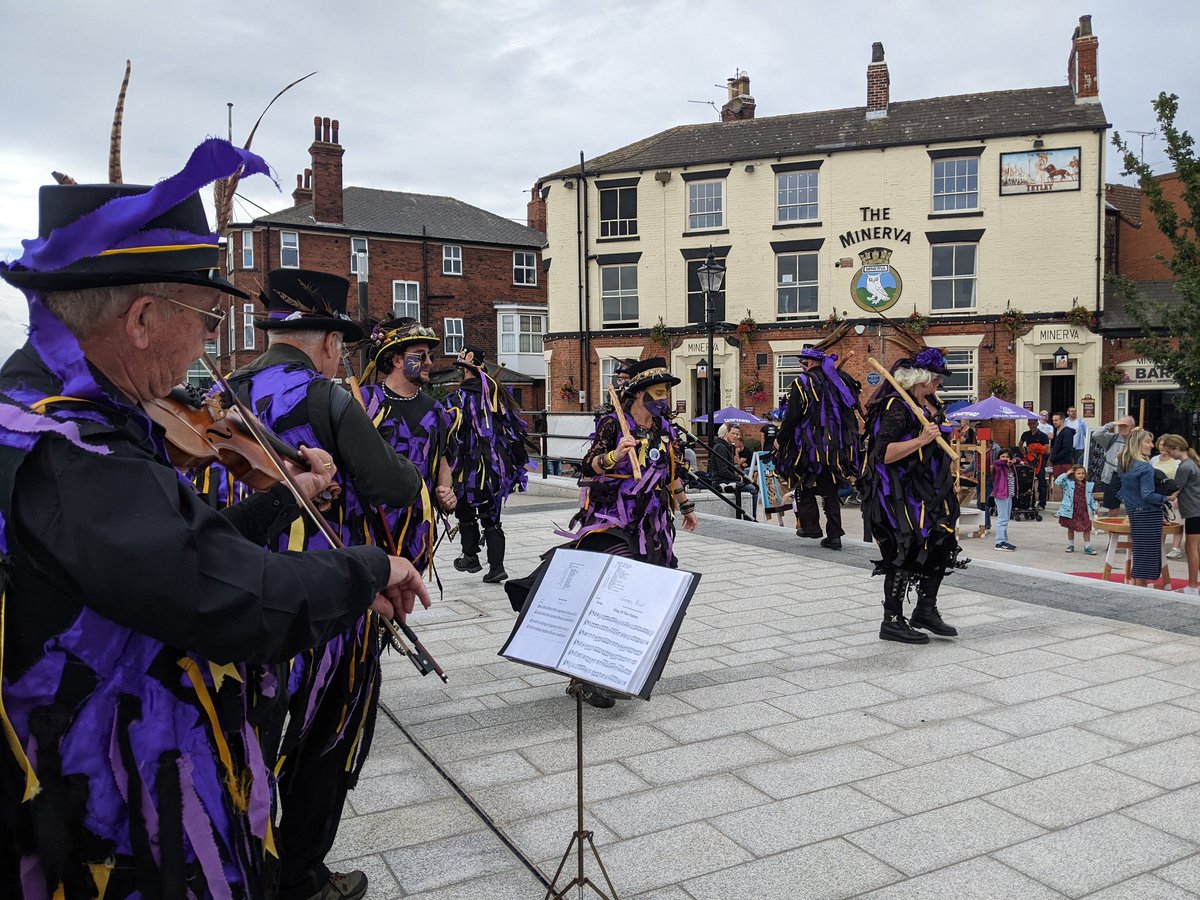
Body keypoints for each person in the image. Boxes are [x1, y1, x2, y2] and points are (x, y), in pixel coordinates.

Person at [0, 144, 429, 900]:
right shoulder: (72, 449)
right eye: (203, 318)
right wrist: (370, 566)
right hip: (104, 825)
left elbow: (171, 549)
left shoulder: (62, 419)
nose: (209, 342)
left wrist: (279, 499)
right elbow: (226, 596)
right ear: (140, 319)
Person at [227, 268, 426, 900]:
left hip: (239, 589)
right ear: (330, 343)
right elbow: (393, 485)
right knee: (326, 739)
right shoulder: (329, 398)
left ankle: (244, 868)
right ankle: (303, 875)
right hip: (322, 599)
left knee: (247, 738)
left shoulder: (222, 394)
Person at [547, 357, 699, 705]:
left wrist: (686, 506)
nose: (664, 399)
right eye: (658, 392)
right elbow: (589, 465)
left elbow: (672, 470)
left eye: (666, 393)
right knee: (607, 598)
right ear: (639, 394)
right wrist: (615, 456)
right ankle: (582, 678)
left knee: (642, 598)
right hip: (613, 523)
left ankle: (614, 671)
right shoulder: (613, 424)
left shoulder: (664, 429)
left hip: (653, 525)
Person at [860, 348, 963, 644]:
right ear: (923, 379)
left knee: (942, 543)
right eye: (936, 380)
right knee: (903, 551)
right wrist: (922, 439)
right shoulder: (897, 406)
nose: (939, 385)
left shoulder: (928, 402)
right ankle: (891, 620)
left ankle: (925, 610)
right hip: (898, 493)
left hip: (927, 490)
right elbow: (884, 453)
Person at [358, 318, 459, 572]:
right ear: (397, 360)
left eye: (430, 356)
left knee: (403, 602)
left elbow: (442, 457)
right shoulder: (366, 402)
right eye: (420, 355)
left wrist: (446, 491)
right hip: (371, 521)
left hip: (416, 527)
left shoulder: (435, 410)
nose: (429, 362)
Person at [445, 344, 530, 583]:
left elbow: (447, 434)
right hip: (496, 469)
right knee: (492, 519)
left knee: (464, 511)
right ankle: (497, 567)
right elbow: (515, 434)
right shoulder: (498, 399)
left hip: (466, 469)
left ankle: (471, 555)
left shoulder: (456, 400)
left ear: (465, 371)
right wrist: (517, 465)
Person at [776, 347, 862, 550]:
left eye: (802, 362)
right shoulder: (839, 380)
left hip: (810, 445)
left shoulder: (802, 382)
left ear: (810, 363)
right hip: (837, 447)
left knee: (803, 480)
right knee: (830, 490)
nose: (800, 366)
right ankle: (834, 536)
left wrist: (781, 439)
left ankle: (811, 527)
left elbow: (793, 416)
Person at [1119, 428, 1173, 587]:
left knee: (1140, 554)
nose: (1152, 445)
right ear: (1138, 444)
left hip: (1133, 511)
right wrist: (1167, 498)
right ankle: (1141, 591)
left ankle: (1137, 588)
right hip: (1148, 513)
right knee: (1148, 556)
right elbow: (1148, 495)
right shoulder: (1145, 467)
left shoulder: (1123, 464)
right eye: (1148, 441)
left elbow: (1123, 492)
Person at [1162, 435, 1200, 595]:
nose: (1169, 455)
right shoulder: (1193, 463)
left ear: (1177, 449)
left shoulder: (1185, 467)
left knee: (1191, 548)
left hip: (1194, 511)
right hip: (1195, 509)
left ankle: (1192, 585)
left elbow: (1175, 488)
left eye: (1170, 452)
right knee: (1196, 548)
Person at [710, 423, 759, 519]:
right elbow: (723, 471)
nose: (735, 436)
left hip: (725, 478)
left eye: (737, 434)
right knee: (753, 489)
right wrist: (738, 478)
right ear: (726, 433)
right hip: (720, 480)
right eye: (733, 433)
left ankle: (749, 516)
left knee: (749, 483)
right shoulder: (721, 447)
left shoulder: (727, 446)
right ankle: (751, 518)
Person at [1152, 435, 1185, 560]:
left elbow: (1180, 480)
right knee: (1161, 522)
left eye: (1165, 445)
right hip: (1159, 495)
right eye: (1160, 444)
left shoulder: (1177, 461)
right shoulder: (1154, 460)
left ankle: (1175, 548)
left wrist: (1177, 496)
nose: (1162, 447)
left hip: (1174, 494)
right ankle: (1160, 546)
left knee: (1177, 521)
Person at [1095, 416, 1136, 514]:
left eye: (1125, 426)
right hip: (1113, 475)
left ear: (1132, 426)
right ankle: (1111, 528)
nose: (1122, 428)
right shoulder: (1112, 438)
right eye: (1120, 425)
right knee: (1112, 506)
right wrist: (1112, 424)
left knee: (1133, 505)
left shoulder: (1137, 440)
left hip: (1130, 476)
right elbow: (1096, 435)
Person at [1055, 464, 1097, 554]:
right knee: (1071, 527)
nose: (1081, 475)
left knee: (1087, 528)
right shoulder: (1068, 484)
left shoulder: (1088, 485)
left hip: (1084, 509)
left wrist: (1094, 507)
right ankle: (1071, 544)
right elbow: (1057, 482)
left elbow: (1091, 497)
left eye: (1083, 473)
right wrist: (1066, 474)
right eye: (1078, 473)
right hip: (1072, 509)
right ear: (1074, 474)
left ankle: (1087, 546)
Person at [1018, 418, 1050, 508]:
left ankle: (1042, 503)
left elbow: (1047, 450)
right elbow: (1020, 444)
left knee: (1042, 482)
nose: (1032, 424)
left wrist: (1036, 449)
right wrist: (1025, 454)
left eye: (1034, 422)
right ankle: (1029, 501)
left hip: (1039, 462)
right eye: (1030, 422)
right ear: (1028, 423)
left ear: (1037, 423)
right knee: (1028, 481)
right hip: (1028, 461)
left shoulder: (1043, 436)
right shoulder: (1025, 434)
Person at [991, 448, 1018, 552]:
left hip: (1009, 495)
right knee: (1002, 519)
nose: (1005, 459)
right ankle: (999, 542)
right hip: (1001, 495)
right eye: (1003, 456)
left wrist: (1013, 461)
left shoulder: (1010, 467)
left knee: (1006, 519)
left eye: (1007, 457)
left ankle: (1004, 540)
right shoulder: (998, 466)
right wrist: (1006, 461)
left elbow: (1019, 460)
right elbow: (997, 462)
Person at [1049, 413, 1076, 504]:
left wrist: (1054, 458)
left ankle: (1068, 506)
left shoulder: (1066, 432)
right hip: (1058, 463)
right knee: (1062, 486)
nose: (1054, 422)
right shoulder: (1058, 432)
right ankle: (1065, 505)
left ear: (1062, 420)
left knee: (1066, 486)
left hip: (1063, 463)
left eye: (1056, 420)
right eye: (1053, 420)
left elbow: (1067, 449)